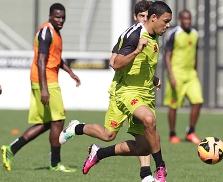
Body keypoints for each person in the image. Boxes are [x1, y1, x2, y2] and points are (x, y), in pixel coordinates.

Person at [59, 1, 160, 181]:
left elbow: (142, 66)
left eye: (148, 16)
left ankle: (146, 175)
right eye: (142, 16)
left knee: (144, 134)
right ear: (136, 17)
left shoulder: (153, 35)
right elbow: (115, 62)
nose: (145, 20)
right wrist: (136, 51)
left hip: (140, 92)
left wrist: (152, 79)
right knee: (108, 135)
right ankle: (77, 127)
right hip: (122, 92)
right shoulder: (131, 35)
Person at [1, 3, 80, 172]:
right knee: (59, 119)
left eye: (63, 17)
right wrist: (44, 88)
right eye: (57, 17)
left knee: (47, 123)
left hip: (46, 79)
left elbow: (55, 58)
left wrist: (70, 72)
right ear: (50, 16)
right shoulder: (46, 31)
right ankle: (55, 163)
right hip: (46, 80)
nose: (61, 20)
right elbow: (41, 60)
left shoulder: (55, 32)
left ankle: (11, 149)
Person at [163, 9, 203, 144]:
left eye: (189, 19)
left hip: (191, 75)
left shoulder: (195, 34)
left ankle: (191, 132)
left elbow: (195, 54)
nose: (187, 21)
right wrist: (171, 76)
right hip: (177, 74)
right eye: (185, 19)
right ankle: (172, 134)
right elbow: (167, 56)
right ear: (180, 19)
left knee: (198, 101)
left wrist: (196, 72)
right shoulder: (173, 34)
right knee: (174, 105)